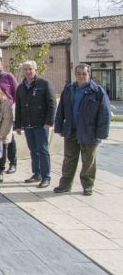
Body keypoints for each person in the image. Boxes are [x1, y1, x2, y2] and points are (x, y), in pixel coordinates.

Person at [53, 64, 110, 196]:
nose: (81, 76)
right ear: (75, 74)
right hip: (71, 130)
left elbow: (105, 113)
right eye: (78, 73)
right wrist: (59, 126)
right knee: (69, 159)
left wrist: (102, 133)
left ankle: (88, 186)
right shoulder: (69, 89)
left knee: (88, 161)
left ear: (89, 74)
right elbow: (60, 109)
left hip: (90, 132)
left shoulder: (98, 91)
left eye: (84, 73)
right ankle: (65, 185)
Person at [15, 61, 56, 188]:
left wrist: (49, 122)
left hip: (41, 124)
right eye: (25, 69)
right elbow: (19, 107)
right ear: (22, 71)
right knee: (33, 150)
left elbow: (52, 104)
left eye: (30, 69)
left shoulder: (44, 84)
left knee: (43, 150)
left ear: (35, 69)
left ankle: (46, 177)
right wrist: (17, 125)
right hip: (28, 125)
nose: (28, 71)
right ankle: (36, 174)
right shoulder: (21, 87)